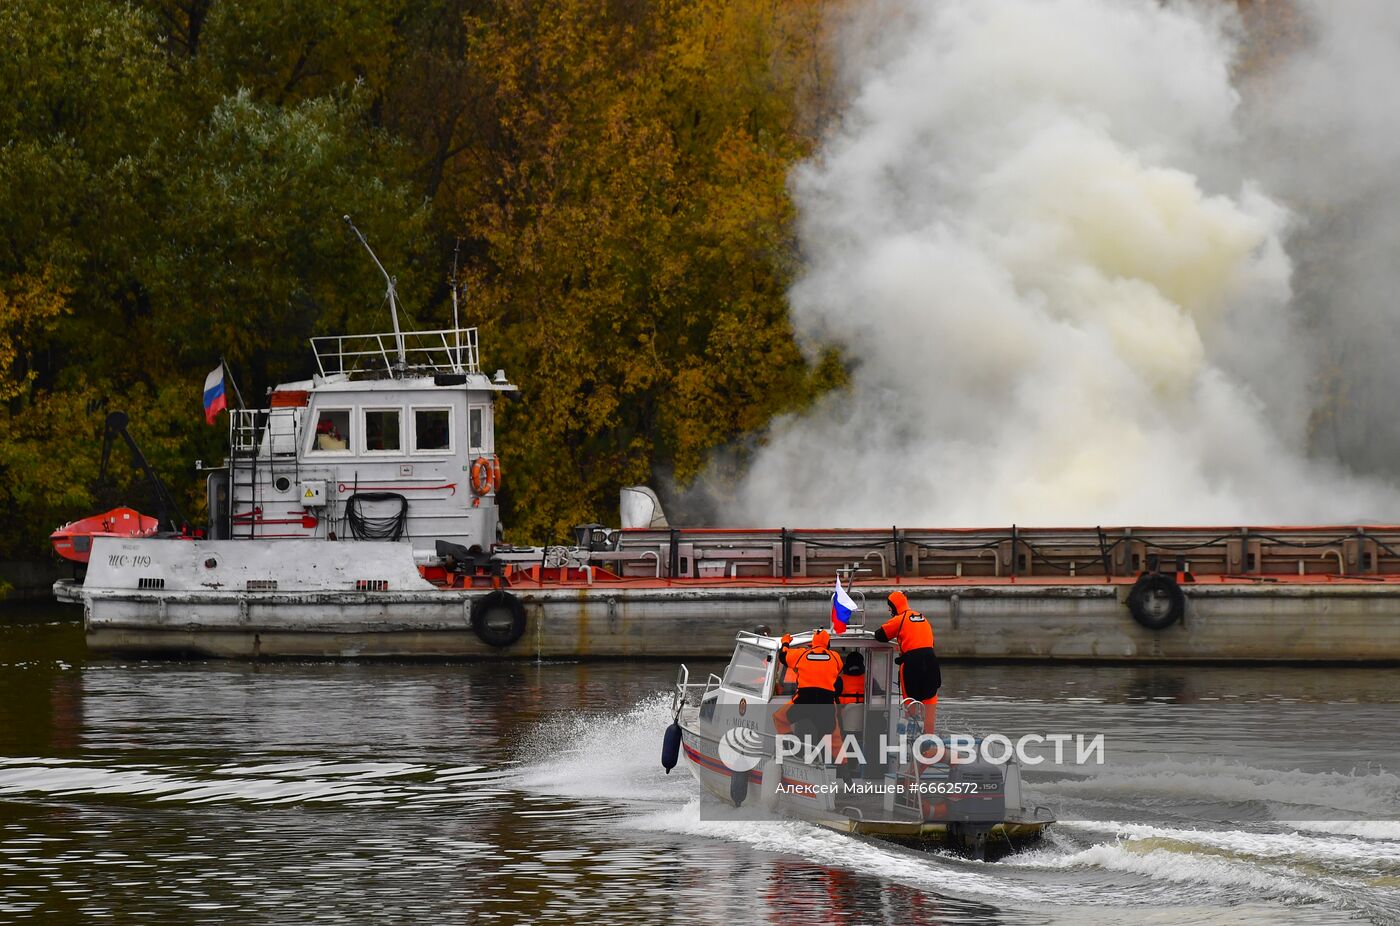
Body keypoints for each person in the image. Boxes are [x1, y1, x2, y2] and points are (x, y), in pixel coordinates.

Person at [874, 591, 941, 730]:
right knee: (930, 698)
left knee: (910, 699)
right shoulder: (922, 617)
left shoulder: (900, 619)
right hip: (931, 661)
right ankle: (929, 735)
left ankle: (911, 731)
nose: (889, 610)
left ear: (894, 606)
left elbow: (880, 635)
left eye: (889, 606)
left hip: (912, 663)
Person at [774, 630, 844, 754]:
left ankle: (793, 750)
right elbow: (837, 670)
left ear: (813, 643)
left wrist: (785, 642)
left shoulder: (801, 654)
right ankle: (839, 763)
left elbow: (783, 656)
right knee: (832, 736)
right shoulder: (835, 657)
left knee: (779, 718)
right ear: (828, 644)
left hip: (804, 700)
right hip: (826, 703)